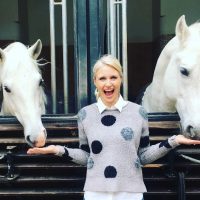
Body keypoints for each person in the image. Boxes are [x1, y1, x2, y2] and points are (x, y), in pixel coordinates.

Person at [27, 54, 200, 200]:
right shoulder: (85, 114)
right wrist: (56, 149)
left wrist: (174, 140)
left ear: (121, 79)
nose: (108, 83)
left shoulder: (138, 112)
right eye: (102, 78)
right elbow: (88, 156)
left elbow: (142, 156)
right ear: (95, 81)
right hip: (96, 194)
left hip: (130, 193)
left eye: (113, 77)